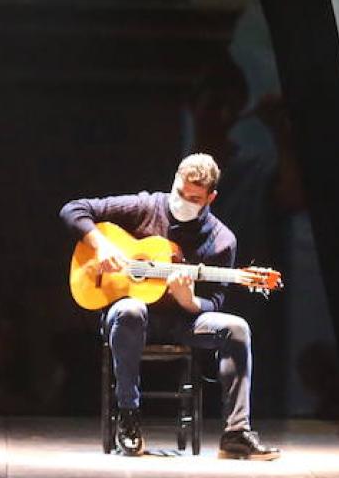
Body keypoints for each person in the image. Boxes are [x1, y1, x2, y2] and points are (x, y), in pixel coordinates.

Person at [61, 153, 279, 460]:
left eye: (194, 198)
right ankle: (129, 417)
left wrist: (188, 301)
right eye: (180, 192)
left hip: (182, 322)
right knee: (131, 310)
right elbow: (74, 209)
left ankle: (236, 433)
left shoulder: (221, 240)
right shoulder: (146, 206)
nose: (184, 201)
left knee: (237, 327)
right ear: (174, 181)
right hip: (129, 317)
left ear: (210, 198)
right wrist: (102, 245)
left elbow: (214, 301)